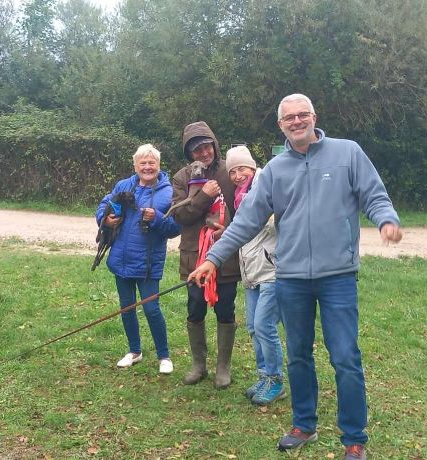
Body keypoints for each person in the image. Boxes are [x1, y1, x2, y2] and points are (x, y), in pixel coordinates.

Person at [188, 94, 403, 460]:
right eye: (290, 117)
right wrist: (212, 258)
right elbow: (247, 219)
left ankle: (354, 438)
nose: (297, 120)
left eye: (303, 114)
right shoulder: (274, 170)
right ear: (281, 125)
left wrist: (386, 219)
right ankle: (304, 424)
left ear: (314, 118)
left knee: (345, 357)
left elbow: (374, 194)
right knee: (299, 356)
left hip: (338, 277)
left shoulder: (348, 153)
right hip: (290, 278)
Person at [96, 144, 182, 374]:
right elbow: (104, 205)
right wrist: (106, 220)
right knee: (126, 308)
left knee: (151, 308)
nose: (147, 167)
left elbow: (175, 228)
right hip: (121, 259)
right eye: (142, 163)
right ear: (135, 165)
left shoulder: (168, 191)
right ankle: (134, 351)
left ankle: (164, 356)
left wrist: (155, 219)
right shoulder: (124, 185)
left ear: (158, 165)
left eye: (151, 163)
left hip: (148, 263)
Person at [169, 121, 240, 389]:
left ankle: (223, 367)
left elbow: (245, 208)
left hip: (226, 257)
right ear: (190, 154)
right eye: (196, 149)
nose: (203, 153)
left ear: (214, 145)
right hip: (194, 257)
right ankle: (199, 364)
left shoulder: (229, 172)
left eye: (206, 146)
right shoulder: (181, 177)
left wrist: (229, 229)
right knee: (195, 307)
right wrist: (203, 196)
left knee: (225, 308)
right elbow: (180, 215)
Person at [224, 146, 286, 406]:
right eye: (233, 171)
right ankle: (264, 375)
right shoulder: (240, 196)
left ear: (253, 167)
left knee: (265, 326)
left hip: (272, 270)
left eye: (242, 169)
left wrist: (272, 217)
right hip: (250, 270)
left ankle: (276, 380)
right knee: (252, 327)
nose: (238, 175)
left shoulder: (266, 184)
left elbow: (280, 218)